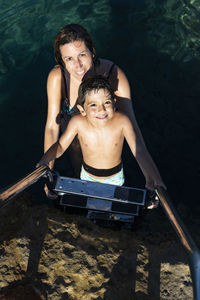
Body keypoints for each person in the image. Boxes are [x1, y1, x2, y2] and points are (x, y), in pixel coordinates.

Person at [44, 23, 160, 196]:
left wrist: (151, 176)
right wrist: (48, 171)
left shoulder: (114, 75)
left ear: (92, 51)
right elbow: (52, 127)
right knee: (79, 168)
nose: (78, 65)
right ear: (61, 61)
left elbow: (132, 128)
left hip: (108, 142)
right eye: (69, 59)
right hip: (74, 139)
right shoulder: (57, 77)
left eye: (82, 55)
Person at [39, 76, 165, 196]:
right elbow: (60, 146)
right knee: (91, 206)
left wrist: (153, 179)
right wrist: (45, 160)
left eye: (107, 102)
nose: (101, 109)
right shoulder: (78, 123)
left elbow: (139, 151)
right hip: (88, 175)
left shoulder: (122, 122)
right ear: (82, 110)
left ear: (114, 104)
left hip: (115, 177)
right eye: (93, 104)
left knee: (112, 211)